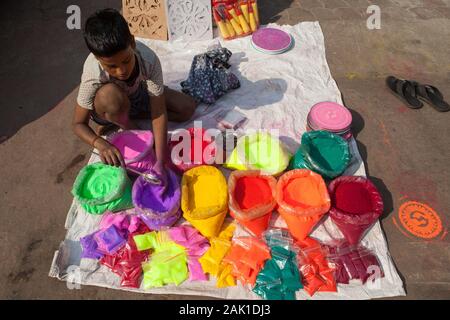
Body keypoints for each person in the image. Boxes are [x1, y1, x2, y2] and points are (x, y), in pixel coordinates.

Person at [72, 8, 198, 179]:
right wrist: (100, 143)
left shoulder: (148, 59)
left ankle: (124, 119)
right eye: (111, 66)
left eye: (126, 61)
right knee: (111, 97)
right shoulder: (93, 72)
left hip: (136, 95)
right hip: (109, 103)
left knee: (187, 108)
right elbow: (78, 123)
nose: (121, 71)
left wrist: (160, 160)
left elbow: (159, 111)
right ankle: (121, 121)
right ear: (97, 58)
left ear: (132, 42)